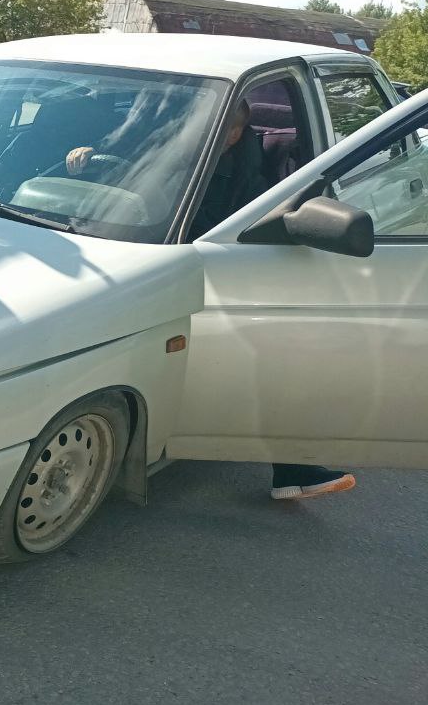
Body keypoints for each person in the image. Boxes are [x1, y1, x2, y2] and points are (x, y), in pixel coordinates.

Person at [65, 98, 358, 502]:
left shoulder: (248, 175)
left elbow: (243, 229)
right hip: (130, 255)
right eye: (207, 127)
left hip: (208, 275)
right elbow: (128, 175)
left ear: (237, 133)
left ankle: (292, 468)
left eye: (229, 130)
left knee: (268, 367)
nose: (221, 137)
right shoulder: (159, 145)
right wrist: (84, 157)